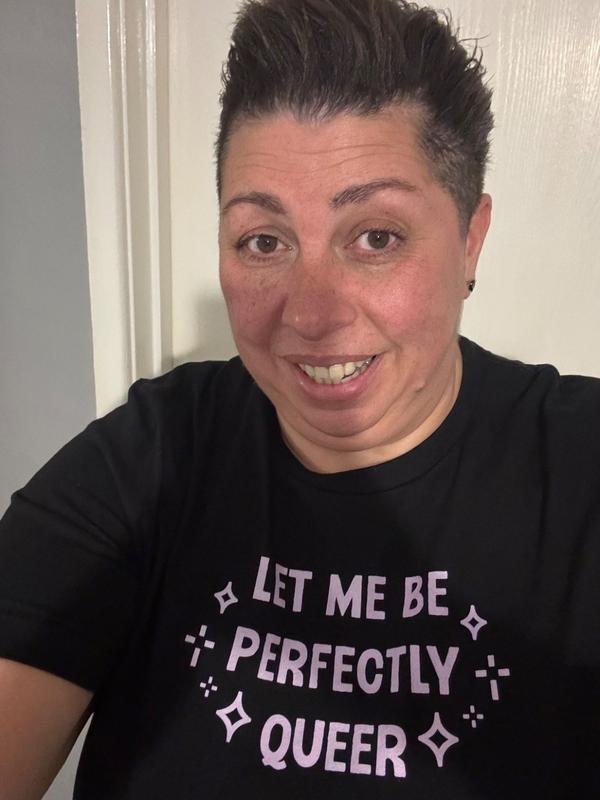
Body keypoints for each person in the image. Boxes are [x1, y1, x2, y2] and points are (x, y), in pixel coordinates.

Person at [0, 0, 598, 797]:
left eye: (376, 237)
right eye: (264, 241)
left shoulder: (582, 468)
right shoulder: (150, 456)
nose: (312, 316)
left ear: (469, 240)